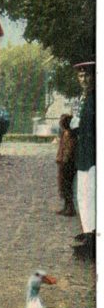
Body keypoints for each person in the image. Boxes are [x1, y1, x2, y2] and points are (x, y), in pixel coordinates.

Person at [72, 61, 96, 260]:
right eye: (81, 77)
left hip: (94, 154)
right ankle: (88, 230)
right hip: (84, 154)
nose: (84, 80)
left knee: (92, 194)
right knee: (83, 194)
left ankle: (93, 236)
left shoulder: (96, 98)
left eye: (87, 76)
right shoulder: (85, 98)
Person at [56, 113, 77, 217]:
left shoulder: (70, 135)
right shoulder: (65, 133)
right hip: (63, 163)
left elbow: (68, 150)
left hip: (67, 164)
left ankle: (70, 208)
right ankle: (66, 206)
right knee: (63, 186)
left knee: (67, 186)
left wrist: (63, 161)